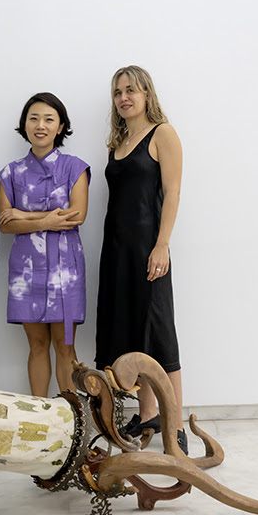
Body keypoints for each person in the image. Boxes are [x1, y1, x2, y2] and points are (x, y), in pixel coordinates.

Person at [94, 65, 188, 454]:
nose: (124, 98)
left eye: (131, 90)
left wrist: (162, 245)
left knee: (158, 333)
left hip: (149, 248)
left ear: (147, 94)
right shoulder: (117, 142)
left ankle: (176, 424)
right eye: (117, 93)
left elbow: (173, 190)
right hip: (116, 250)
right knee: (130, 333)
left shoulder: (162, 133)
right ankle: (147, 412)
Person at [0, 93, 90, 397]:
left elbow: (76, 215)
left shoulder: (75, 167)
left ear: (61, 126)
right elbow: (5, 223)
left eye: (49, 119)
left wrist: (26, 214)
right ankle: (40, 416)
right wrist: (46, 221)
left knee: (65, 346)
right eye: (33, 118)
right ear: (24, 125)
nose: (40, 125)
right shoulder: (10, 172)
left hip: (66, 269)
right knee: (36, 345)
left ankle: (71, 420)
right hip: (27, 271)